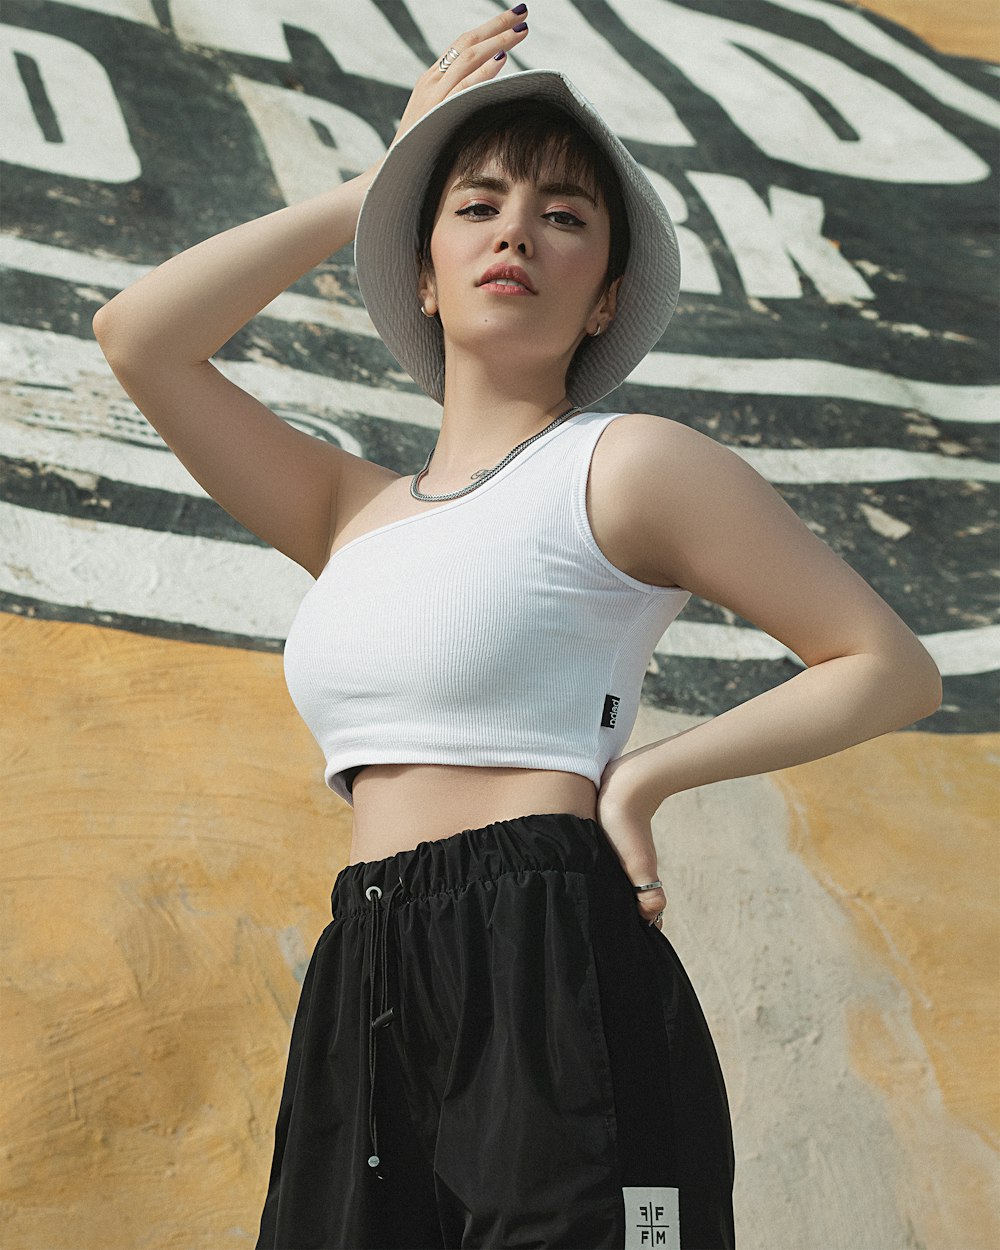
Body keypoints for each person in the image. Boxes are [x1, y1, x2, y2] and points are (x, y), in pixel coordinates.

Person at [92, 8, 942, 1249]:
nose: (516, 231)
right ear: (423, 270)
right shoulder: (347, 509)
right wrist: (376, 183)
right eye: (476, 202)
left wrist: (644, 777)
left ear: (604, 298)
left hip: (548, 945)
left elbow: (889, 666)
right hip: (366, 958)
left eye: (564, 215)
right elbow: (139, 338)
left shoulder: (627, 463)